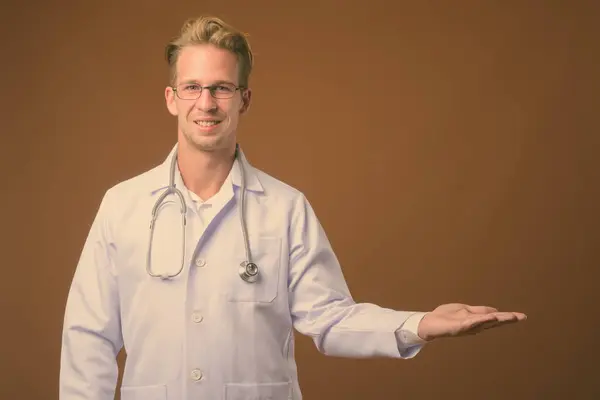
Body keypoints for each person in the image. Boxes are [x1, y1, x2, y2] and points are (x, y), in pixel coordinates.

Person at [59, 15, 527, 400]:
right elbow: (89, 336)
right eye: (192, 87)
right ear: (171, 98)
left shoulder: (285, 209)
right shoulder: (122, 206)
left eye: (222, 87)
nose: (206, 102)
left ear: (245, 98)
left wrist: (418, 324)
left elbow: (331, 319)